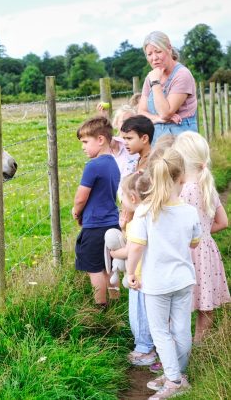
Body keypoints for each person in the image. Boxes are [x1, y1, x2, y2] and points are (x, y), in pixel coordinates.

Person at [127, 148, 201, 399]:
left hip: (157, 283)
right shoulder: (189, 211)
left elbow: (136, 246)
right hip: (183, 279)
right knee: (181, 329)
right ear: (181, 178)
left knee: (161, 332)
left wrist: (130, 272)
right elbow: (194, 243)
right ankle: (178, 374)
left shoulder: (145, 211)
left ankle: (173, 381)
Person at [174, 131, 230, 343]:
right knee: (205, 302)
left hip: (185, 252)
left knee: (180, 303)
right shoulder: (208, 187)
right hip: (206, 252)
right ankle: (200, 346)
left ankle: (180, 348)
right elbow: (223, 222)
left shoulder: (182, 191)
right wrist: (203, 233)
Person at [105, 172, 156, 366]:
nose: (122, 203)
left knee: (139, 314)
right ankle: (154, 347)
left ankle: (145, 349)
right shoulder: (152, 216)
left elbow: (130, 248)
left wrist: (114, 254)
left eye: (123, 198)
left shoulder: (138, 222)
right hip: (153, 275)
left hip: (139, 277)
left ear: (133, 198)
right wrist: (124, 226)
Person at [72, 116, 121, 307]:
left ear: (100, 140)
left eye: (85, 142)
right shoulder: (113, 164)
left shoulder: (93, 166)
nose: (83, 147)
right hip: (112, 223)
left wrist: (77, 211)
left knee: (95, 268)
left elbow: (81, 197)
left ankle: (100, 307)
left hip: (95, 226)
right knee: (110, 266)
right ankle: (116, 301)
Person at [138, 31, 198, 144]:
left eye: (158, 51)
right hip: (157, 139)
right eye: (149, 54)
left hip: (182, 139)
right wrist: (158, 119)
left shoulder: (182, 75)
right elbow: (141, 112)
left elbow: (165, 113)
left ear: (169, 48)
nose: (154, 58)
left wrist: (155, 83)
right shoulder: (150, 77)